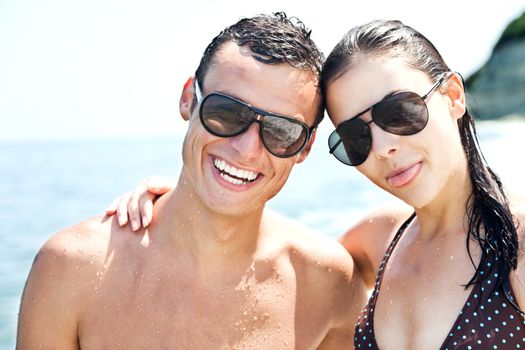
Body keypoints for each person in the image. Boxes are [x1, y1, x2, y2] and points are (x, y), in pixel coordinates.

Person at [111, 19, 525, 349]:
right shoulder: (378, 239)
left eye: (399, 112)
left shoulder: (517, 245)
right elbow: (263, 258)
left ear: (453, 95)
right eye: (355, 138)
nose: (382, 147)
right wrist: (186, 204)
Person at [16, 13, 367, 349]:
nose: (247, 149)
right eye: (227, 112)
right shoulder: (72, 268)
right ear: (188, 98)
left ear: (305, 146)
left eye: (281, 131)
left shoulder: (328, 284)